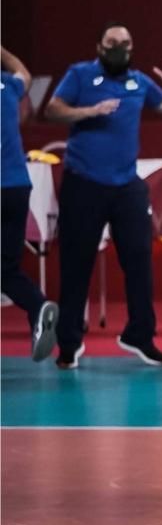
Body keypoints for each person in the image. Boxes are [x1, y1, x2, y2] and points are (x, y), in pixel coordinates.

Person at [44, 24, 162, 368]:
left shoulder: (139, 82)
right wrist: (88, 112)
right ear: (100, 47)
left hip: (126, 186)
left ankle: (139, 334)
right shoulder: (80, 74)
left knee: (139, 259)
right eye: (113, 43)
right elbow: (52, 109)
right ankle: (68, 344)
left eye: (125, 43)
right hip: (83, 183)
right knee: (76, 265)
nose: (120, 48)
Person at [1, 47, 56, 362]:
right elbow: (24, 72)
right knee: (6, 270)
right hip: (17, 187)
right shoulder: (7, 85)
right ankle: (37, 305)